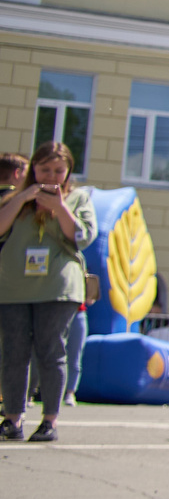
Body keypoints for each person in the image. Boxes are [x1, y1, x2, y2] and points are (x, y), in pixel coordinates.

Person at [0, 141, 96, 443]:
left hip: (58, 288)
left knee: (50, 351)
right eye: (44, 169)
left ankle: (49, 421)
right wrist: (22, 198)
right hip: (14, 287)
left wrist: (60, 208)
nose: (51, 176)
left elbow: (81, 237)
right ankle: (12, 419)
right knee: (13, 354)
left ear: (68, 171)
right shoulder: (16, 198)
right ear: (33, 169)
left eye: (58, 170)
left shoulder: (78, 198)